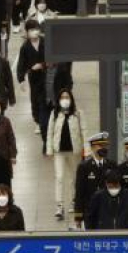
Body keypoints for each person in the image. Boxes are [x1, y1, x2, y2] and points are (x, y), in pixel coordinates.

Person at [46, 89, 85, 220]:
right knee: (59, 177)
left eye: (67, 97)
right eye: (62, 97)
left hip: (74, 151)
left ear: (71, 99)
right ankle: (59, 205)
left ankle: (74, 201)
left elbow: (84, 131)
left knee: (74, 178)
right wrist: (49, 150)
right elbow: (50, 132)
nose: (65, 99)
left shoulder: (78, 114)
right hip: (59, 152)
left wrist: (87, 150)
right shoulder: (54, 114)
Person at [74, 132, 117, 227]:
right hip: (90, 211)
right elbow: (79, 192)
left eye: (105, 145)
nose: (104, 148)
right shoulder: (84, 167)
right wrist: (78, 216)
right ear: (92, 147)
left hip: (108, 211)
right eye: (100, 145)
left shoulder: (112, 165)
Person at [16, 19, 47, 134]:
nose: (35, 32)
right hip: (34, 78)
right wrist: (21, 79)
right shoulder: (25, 47)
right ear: (27, 32)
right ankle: (38, 122)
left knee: (46, 98)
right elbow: (21, 64)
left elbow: (53, 59)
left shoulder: (46, 42)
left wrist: (42, 65)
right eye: (32, 30)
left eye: (36, 29)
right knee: (35, 100)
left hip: (48, 75)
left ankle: (47, 120)